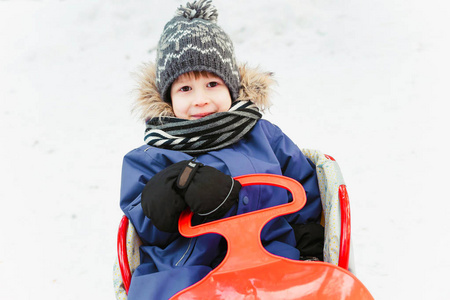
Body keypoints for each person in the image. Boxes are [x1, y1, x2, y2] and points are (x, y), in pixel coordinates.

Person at [119, 0, 324, 299]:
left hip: (270, 251)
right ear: (168, 98)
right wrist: (166, 195)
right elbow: (146, 229)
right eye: (185, 89)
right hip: (187, 266)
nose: (201, 99)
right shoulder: (152, 156)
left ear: (230, 86)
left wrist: (305, 238)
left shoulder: (263, 135)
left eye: (212, 84)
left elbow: (304, 189)